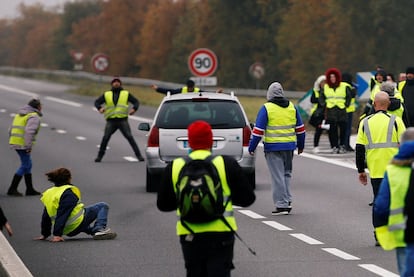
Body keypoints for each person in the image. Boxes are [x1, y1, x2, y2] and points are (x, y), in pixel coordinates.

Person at [157, 120, 255, 276]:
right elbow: (248, 199)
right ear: (210, 140)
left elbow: (163, 205)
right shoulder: (225, 164)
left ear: (189, 141)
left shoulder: (175, 166)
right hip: (221, 232)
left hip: (189, 232)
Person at [356, 91, 406, 245]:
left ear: (375, 104)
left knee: (379, 201)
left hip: (376, 170)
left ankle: (379, 234)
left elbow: (359, 148)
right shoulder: (396, 121)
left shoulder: (365, 122)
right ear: (388, 104)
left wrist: (361, 171)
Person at [248, 82, 305, 215]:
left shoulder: (267, 108)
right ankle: (287, 199)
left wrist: (252, 146)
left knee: (277, 176)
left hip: (273, 148)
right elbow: (301, 130)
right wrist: (300, 146)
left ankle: (282, 205)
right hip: (289, 147)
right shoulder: (292, 107)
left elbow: (258, 131)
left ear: (269, 95)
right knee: (286, 174)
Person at [34, 167, 117, 242]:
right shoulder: (67, 193)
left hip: (67, 230)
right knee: (102, 206)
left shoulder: (49, 193)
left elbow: (46, 215)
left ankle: (94, 231)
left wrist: (45, 234)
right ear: (69, 178)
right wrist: (57, 235)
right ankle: (99, 229)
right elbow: (63, 213)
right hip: (75, 224)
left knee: (82, 216)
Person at [373, 127, 414, 277]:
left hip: (404, 231)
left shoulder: (393, 171)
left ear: (400, 145)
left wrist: (380, 228)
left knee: (407, 270)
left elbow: (381, 206)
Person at [94, 77, 144, 162]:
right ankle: (99, 156)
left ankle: (139, 156)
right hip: (111, 120)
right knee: (105, 138)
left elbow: (136, 101)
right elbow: (97, 102)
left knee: (129, 137)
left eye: (118, 82)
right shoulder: (107, 94)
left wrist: (134, 109)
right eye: (114, 82)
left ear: (120, 84)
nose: (116, 83)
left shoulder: (125, 93)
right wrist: (100, 108)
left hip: (122, 120)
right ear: (112, 84)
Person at [7, 98, 42, 196]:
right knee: (25, 165)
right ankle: (12, 189)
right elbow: (29, 132)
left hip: (16, 141)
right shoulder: (33, 116)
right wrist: (28, 146)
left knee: (28, 164)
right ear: (38, 107)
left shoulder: (20, 114)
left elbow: (10, 129)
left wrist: (12, 140)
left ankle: (29, 189)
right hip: (23, 144)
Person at [320, 68, 351, 154]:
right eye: (330, 77)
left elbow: (349, 96)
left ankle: (342, 146)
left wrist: (346, 104)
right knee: (332, 131)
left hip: (341, 110)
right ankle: (334, 146)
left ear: (337, 77)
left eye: (334, 77)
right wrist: (324, 105)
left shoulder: (344, 86)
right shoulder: (326, 87)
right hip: (331, 111)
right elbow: (321, 97)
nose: (332, 79)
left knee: (343, 130)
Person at [309, 75, 327, 154]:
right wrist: (320, 99)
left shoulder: (328, 91)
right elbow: (312, 100)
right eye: (322, 82)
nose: (323, 84)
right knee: (318, 130)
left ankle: (334, 146)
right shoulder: (316, 91)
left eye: (325, 82)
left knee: (331, 130)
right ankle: (316, 146)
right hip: (317, 113)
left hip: (326, 113)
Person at [342, 72, 358, 152]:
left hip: (341, 109)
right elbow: (354, 94)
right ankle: (346, 145)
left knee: (341, 129)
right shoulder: (351, 87)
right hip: (349, 110)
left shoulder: (340, 86)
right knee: (347, 129)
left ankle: (341, 144)